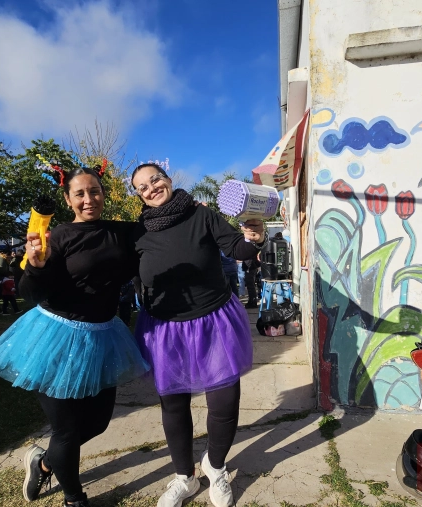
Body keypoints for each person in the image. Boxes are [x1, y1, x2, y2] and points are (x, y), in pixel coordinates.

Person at [0, 166, 149, 507]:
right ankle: (74, 499)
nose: (89, 199)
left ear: (105, 194)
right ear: (68, 199)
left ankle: (43, 462)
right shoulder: (57, 236)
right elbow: (30, 293)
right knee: (67, 431)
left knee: (99, 423)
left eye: (95, 191)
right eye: (80, 193)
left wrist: (194, 213)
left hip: (102, 337)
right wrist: (36, 265)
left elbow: (159, 226)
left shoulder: (122, 232)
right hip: (56, 338)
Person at [130, 163, 265, 507]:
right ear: (139, 195)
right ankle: (184, 478)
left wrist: (254, 238)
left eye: (155, 179)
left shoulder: (201, 215)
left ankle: (215, 466)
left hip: (213, 322)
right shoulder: (137, 232)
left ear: (168, 179)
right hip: (164, 330)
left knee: (224, 403)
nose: (151, 188)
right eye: (142, 187)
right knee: (174, 406)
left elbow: (237, 248)